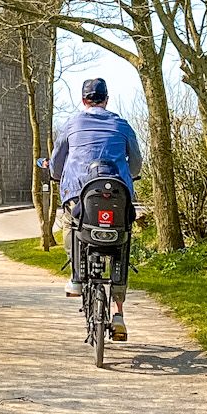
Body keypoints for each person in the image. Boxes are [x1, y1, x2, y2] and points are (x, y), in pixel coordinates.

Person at [48, 76, 144, 340]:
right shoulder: (122, 126)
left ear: (83, 100)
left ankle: (77, 277)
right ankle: (119, 314)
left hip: (80, 195)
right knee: (122, 242)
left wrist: (57, 176)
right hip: (118, 197)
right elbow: (135, 162)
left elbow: (57, 162)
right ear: (107, 99)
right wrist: (130, 175)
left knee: (71, 223)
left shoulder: (71, 124)